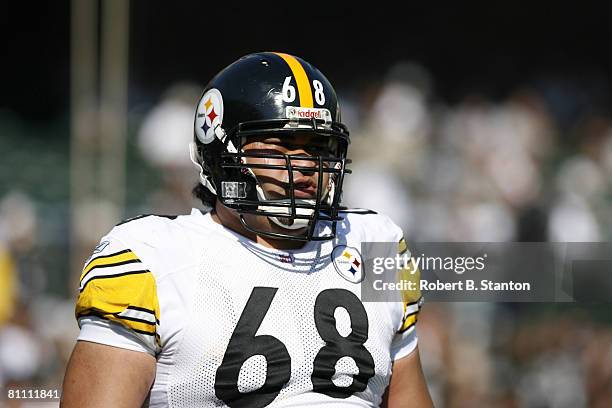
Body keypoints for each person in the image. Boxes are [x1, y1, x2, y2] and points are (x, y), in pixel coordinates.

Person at [61, 52, 433, 408]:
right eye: (281, 145)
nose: (305, 165)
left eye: (319, 146)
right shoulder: (151, 258)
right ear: (221, 150)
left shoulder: (375, 243)